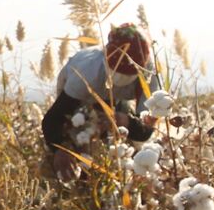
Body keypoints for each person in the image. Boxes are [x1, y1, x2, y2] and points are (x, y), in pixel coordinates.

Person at [42, 23, 159, 179]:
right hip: (81, 95)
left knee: (123, 143)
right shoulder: (85, 72)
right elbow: (53, 119)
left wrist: (126, 121)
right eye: (116, 72)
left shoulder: (149, 77)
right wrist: (59, 149)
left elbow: (146, 131)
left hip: (117, 101)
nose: (120, 78)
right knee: (75, 136)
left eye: (127, 74)